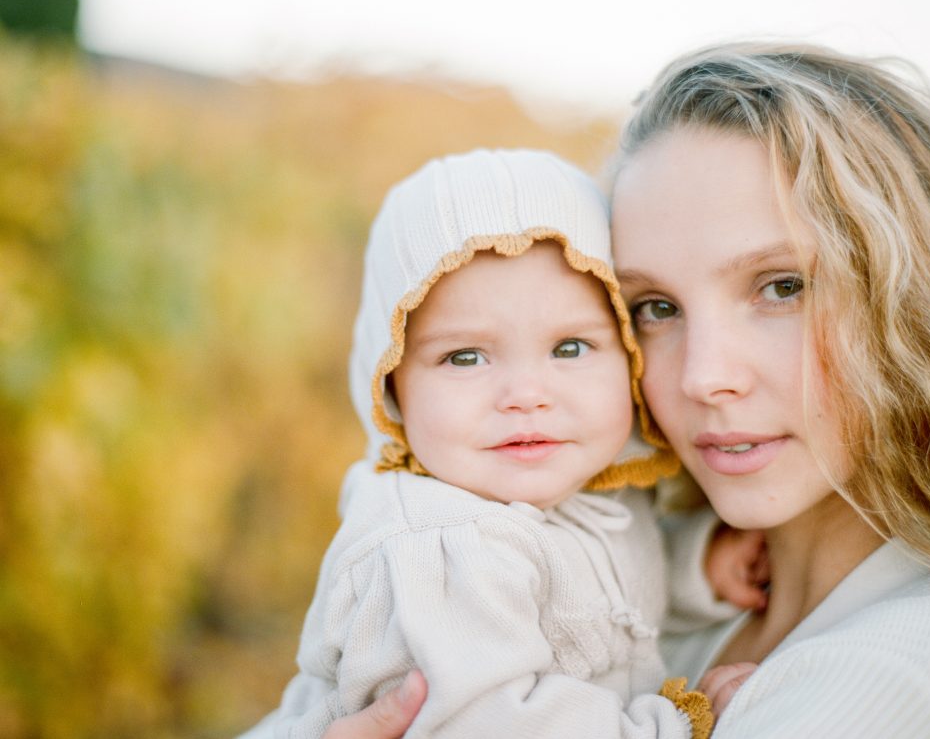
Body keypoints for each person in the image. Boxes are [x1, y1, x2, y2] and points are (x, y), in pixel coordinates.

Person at [327, 41, 930, 738]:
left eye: (782, 287)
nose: (703, 376)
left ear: (925, 300)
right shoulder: (648, 570)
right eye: (654, 308)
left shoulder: (904, 679)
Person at [239, 149, 768, 739]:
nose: (525, 394)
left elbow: (594, 609)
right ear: (391, 388)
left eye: (569, 347)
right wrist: (674, 725)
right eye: (464, 357)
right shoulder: (435, 547)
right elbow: (489, 724)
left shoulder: (588, 492)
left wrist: (698, 570)